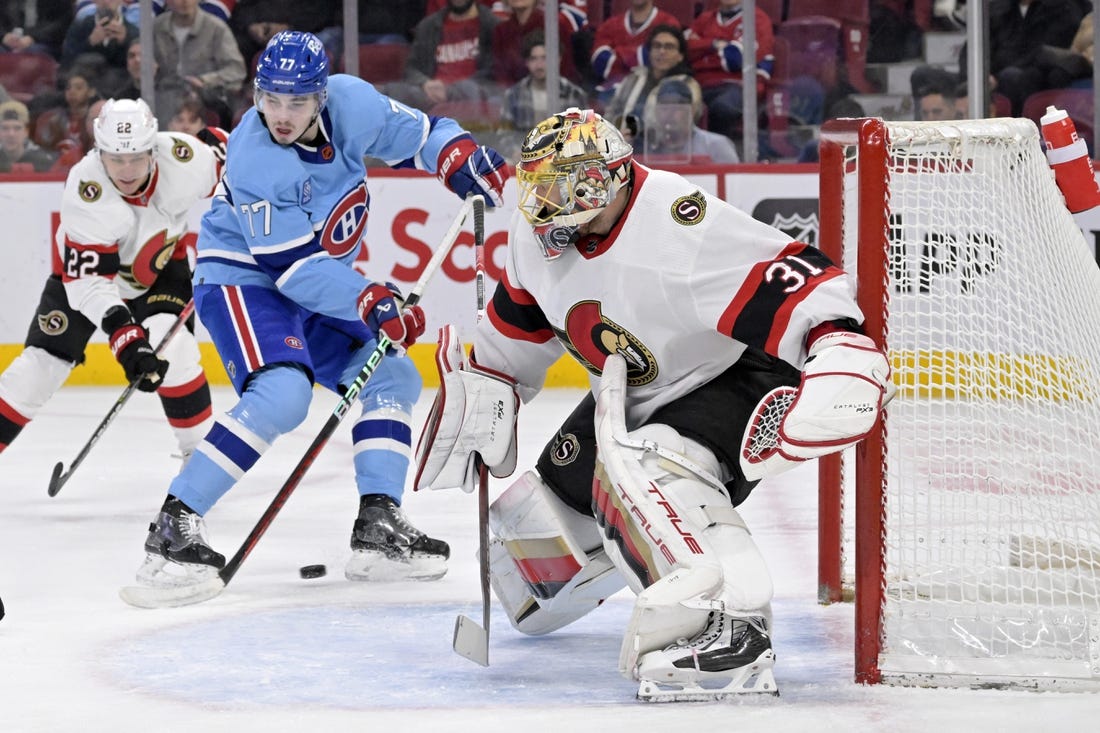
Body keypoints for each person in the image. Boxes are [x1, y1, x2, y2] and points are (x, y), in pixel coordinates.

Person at [415, 108, 892, 700]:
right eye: (534, 186)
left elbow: (798, 278)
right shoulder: (537, 234)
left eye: (555, 188)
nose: (537, 204)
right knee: (534, 543)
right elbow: (518, 329)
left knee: (655, 469)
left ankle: (730, 627)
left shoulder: (677, 223)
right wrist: (491, 381)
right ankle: (645, 548)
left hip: (734, 370)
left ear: (600, 180)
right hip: (636, 386)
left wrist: (838, 346)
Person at [132, 30, 509, 588]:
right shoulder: (255, 155)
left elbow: (422, 136)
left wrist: (456, 154)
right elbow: (291, 270)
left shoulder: (352, 101)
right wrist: (370, 298)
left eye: (297, 102)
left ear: (321, 97)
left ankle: (379, 524)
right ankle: (174, 524)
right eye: (271, 100)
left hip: (318, 278)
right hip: (245, 278)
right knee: (284, 394)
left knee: (394, 375)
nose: (281, 116)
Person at [0, 98, 221, 461]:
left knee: (175, 346)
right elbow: (90, 282)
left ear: (154, 147)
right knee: (39, 369)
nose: (127, 169)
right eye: (116, 158)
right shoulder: (86, 191)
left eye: (136, 156)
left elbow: (238, 157)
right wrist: (125, 338)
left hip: (161, 271)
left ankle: (200, 462)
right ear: (98, 151)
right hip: (87, 282)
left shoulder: (185, 160)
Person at [389, 0, 500, 114]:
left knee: (468, 89)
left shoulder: (493, 25)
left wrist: (450, 89)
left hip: (472, 92)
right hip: (430, 94)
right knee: (392, 91)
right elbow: (411, 68)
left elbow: (494, 69)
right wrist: (425, 83)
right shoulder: (428, 25)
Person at [685, 0, 775, 141]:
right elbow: (684, 50)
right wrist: (714, 44)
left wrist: (702, 53)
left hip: (738, 85)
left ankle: (719, 156)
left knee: (722, 107)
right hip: (700, 85)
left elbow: (734, 59)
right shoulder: (705, 19)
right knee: (674, 103)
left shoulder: (757, 19)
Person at [152, 0, 246, 130]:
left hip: (205, 100)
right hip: (164, 99)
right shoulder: (156, 27)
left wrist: (205, 81)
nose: (185, 2)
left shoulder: (216, 28)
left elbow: (237, 70)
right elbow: (138, 56)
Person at [498, 31, 589, 147]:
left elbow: (585, 136)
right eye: (533, 59)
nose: (539, 65)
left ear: (558, 59)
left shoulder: (575, 95)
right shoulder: (513, 95)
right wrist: (517, 152)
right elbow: (504, 135)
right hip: (525, 160)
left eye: (544, 58)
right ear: (526, 62)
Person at [604, 25, 694, 139]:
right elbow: (612, 112)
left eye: (669, 47)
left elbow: (683, 125)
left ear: (680, 56)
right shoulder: (633, 79)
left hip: (666, 148)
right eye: (657, 46)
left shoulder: (687, 85)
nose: (662, 51)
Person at [590, 0, 681, 95]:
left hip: (654, 92)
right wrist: (639, 54)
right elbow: (599, 61)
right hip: (610, 93)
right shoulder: (609, 25)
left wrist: (618, 54)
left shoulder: (668, 23)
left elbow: (659, 63)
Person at [640, 78, 740, 163]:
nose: (670, 113)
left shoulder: (716, 146)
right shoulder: (645, 148)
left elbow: (734, 183)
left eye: (677, 107)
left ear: (691, 110)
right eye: (664, 107)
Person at [0, 100, 58, 172]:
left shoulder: (42, 161)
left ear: (26, 132)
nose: (11, 134)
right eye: (5, 128)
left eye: (17, 128)